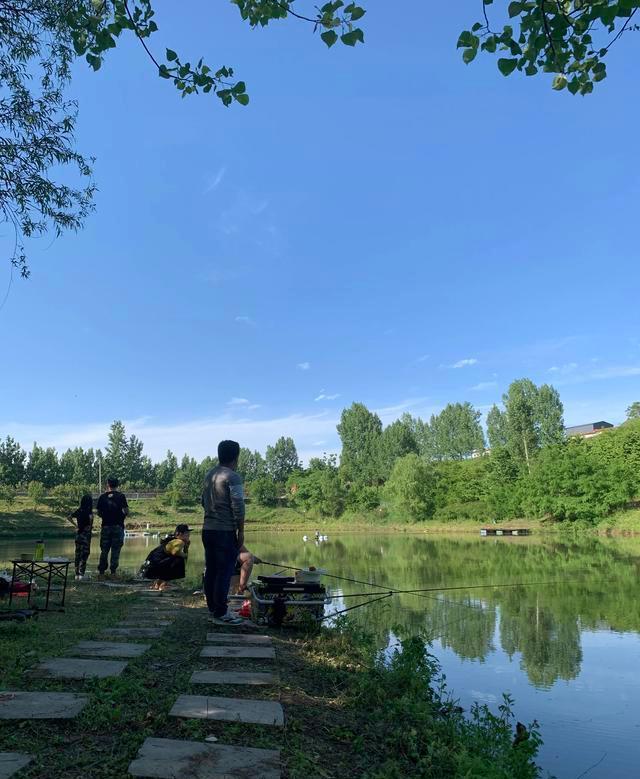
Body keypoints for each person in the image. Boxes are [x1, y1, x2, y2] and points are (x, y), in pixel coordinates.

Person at [202, 440, 245, 625]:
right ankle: (221, 612)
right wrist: (241, 531)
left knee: (211, 570)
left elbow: (203, 501)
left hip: (207, 529)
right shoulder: (233, 477)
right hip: (224, 531)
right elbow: (238, 506)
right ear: (236, 457)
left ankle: (213, 607)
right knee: (224, 571)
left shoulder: (209, 475)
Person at [141, 524, 191, 590]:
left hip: (149, 566)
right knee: (179, 560)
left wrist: (186, 547)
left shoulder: (172, 539)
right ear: (180, 534)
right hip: (153, 566)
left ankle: (157, 584)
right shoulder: (179, 542)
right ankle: (163, 585)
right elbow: (175, 552)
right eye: (186, 533)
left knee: (174, 559)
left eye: (189, 533)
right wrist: (185, 555)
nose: (189, 535)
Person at [96, 477, 129, 577]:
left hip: (106, 526)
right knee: (115, 550)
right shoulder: (121, 496)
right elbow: (126, 511)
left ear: (108, 485)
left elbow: (98, 512)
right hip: (118, 527)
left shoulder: (102, 497)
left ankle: (101, 572)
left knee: (104, 550)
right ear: (117, 485)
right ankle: (113, 572)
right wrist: (122, 515)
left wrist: (105, 516)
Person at [71, 494, 94, 580]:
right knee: (85, 554)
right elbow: (91, 518)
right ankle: (81, 574)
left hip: (78, 534)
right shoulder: (89, 511)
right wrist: (90, 526)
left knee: (77, 553)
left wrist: (76, 525)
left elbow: (69, 517)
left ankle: (76, 574)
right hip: (86, 535)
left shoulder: (79, 510)